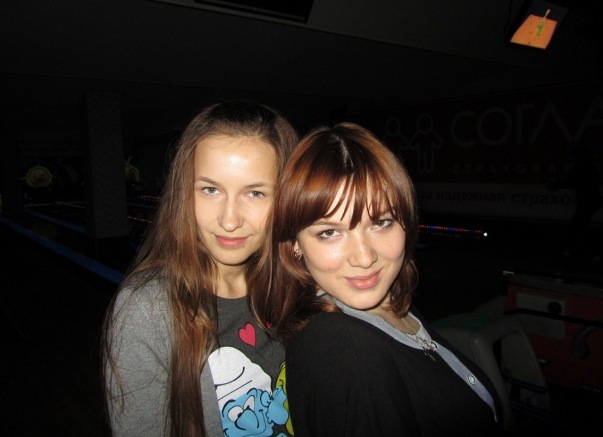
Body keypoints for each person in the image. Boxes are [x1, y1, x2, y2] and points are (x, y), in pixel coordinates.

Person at [256, 122, 504, 436]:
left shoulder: (390, 303)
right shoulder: (340, 347)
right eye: (329, 232)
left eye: (381, 222)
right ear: (295, 244)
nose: (364, 258)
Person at [101, 100, 299, 437]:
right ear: (184, 194)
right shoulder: (147, 311)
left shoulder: (298, 287)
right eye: (210, 189)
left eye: (255, 193)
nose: (229, 220)